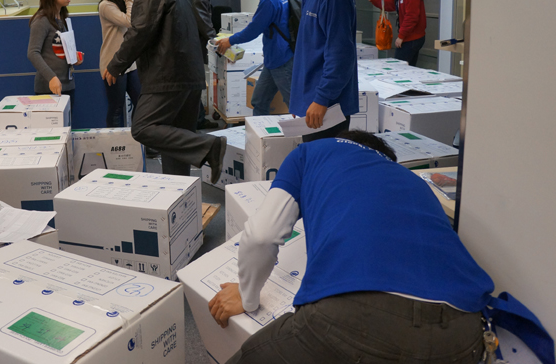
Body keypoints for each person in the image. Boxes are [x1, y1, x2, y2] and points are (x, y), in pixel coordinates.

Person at [209, 131, 494, 364]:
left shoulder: (312, 152)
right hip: (464, 331)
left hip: (356, 317)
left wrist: (246, 296)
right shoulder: (416, 183)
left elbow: (261, 236)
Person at [101, 0, 226, 181]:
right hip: (189, 75)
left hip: (167, 76)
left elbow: (140, 31)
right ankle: (180, 196)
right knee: (176, 143)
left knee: (142, 127)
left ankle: (209, 146)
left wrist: (116, 64)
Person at [285, 0, 357, 141]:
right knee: (311, 158)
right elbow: (310, 49)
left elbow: (340, 54)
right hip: (312, 103)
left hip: (327, 109)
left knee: (324, 160)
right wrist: (300, 99)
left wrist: (321, 98)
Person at [216, 0, 294, 117]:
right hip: (274, 60)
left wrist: (230, 40)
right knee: (259, 101)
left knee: (294, 106)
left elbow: (253, 30)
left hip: (282, 61)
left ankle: (308, 133)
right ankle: (260, 130)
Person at [186, 0, 229, 128]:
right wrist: (222, 45)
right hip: (191, 47)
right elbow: (205, 27)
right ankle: (195, 122)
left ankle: (198, 119)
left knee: (195, 85)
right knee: (194, 85)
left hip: (190, 44)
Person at [27, 0, 83, 102]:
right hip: (49, 88)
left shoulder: (62, 19)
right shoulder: (42, 20)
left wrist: (73, 56)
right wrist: (51, 77)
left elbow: (58, 49)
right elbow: (32, 53)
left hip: (67, 85)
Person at [98, 0, 140, 127]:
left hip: (129, 62)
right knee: (116, 107)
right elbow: (129, 21)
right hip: (113, 63)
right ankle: (114, 141)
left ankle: (138, 137)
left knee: (141, 102)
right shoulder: (106, 5)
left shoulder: (124, 4)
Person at [366, 0, 428, 66]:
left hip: (412, 38)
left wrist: (401, 36)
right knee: (408, 68)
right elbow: (391, 4)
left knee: (398, 67)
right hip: (411, 37)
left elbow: (411, 16)